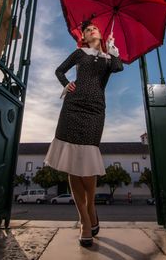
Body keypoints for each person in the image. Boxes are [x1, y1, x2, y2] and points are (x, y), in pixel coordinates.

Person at [44, 22, 123, 247]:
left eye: (94, 28)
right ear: (84, 38)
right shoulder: (79, 53)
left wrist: (112, 48)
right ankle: (84, 221)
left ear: (100, 34)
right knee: (72, 163)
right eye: (87, 30)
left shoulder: (109, 59)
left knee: (87, 160)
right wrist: (67, 84)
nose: (91, 31)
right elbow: (59, 70)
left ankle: (90, 207)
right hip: (73, 107)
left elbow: (118, 68)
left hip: (95, 109)